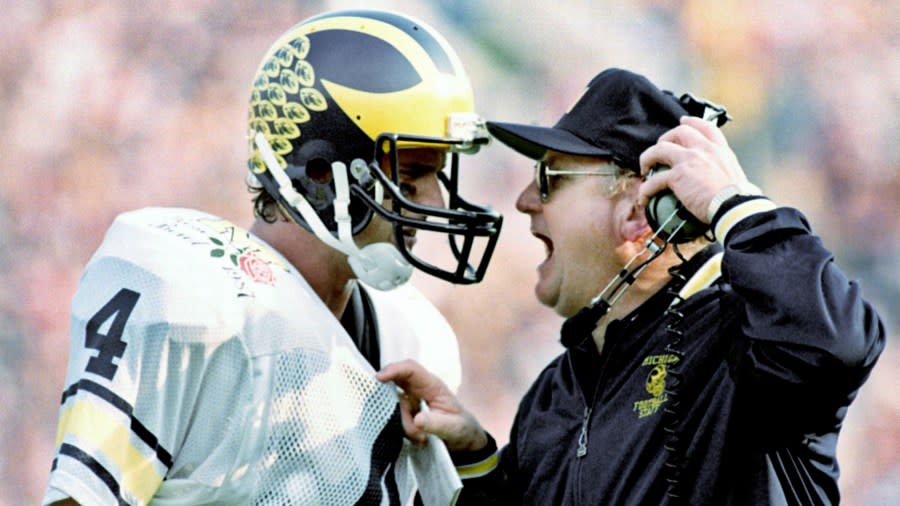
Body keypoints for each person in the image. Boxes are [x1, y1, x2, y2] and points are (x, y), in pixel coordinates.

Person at [43, 9, 502, 506]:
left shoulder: (416, 335)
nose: (433, 204)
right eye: (410, 177)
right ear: (323, 172)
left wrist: (473, 454)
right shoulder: (186, 291)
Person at [378, 67, 885, 504]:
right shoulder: (557, 389)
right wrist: (476, 456)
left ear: (640, 213)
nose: (526, 200)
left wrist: (731, 201)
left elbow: (836, 342)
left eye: (551, 177)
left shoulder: (739, 340)